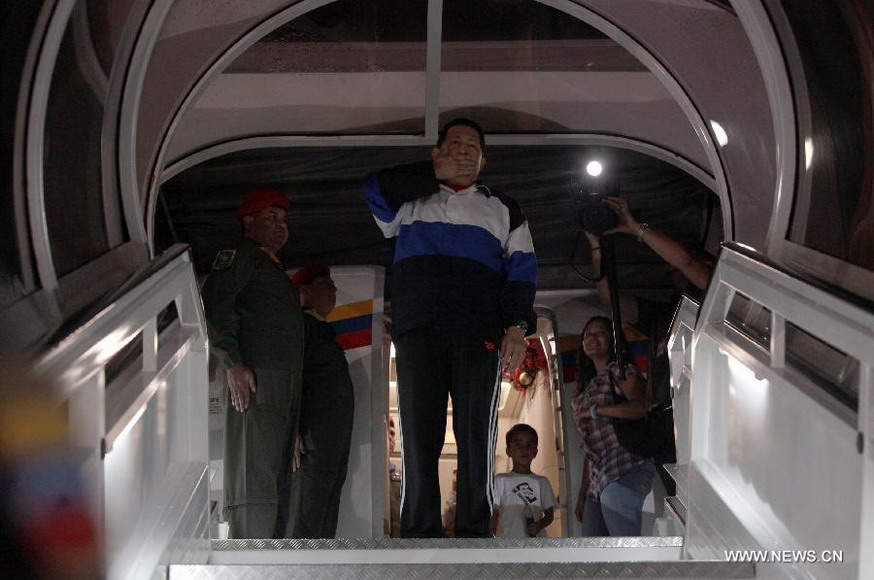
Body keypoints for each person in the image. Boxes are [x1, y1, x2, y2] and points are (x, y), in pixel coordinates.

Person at [363, 118, 537, 538]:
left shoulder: (504, 207)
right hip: (417, 330)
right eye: (454, 143)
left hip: (479, 331)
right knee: (419, 432)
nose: (463, 150)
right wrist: (432, 175)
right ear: (435, 153)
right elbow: (374, 189)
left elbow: (523, 271)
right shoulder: (410, 201)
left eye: (472, 145)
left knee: (476, 431)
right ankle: (420, 529)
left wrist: (516, 327)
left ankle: (475, 529)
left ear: (484, 160)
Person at [586, 196, 714, 488]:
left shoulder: (712, 299)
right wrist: (597, 247)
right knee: (677, 500)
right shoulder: (664, 313)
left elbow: (687, 261)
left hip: (703, 413)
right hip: (665, 421)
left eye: (680, 266)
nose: (676, 271)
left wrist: (635, 228)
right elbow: (610, 299)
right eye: (672, 271)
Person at [201, 188, 304, 539]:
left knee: (276, 476)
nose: (281, 225)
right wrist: (232, 361)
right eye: (271, 218)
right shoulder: (240, 255)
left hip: (283, 382)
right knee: (253, 473)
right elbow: (216, 305)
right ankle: (251, 551)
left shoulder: (271, 268)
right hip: (256, 377)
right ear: (248, 221)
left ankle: (272, 555)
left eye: (284, 220)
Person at [572, 316, 654, 536]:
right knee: (593, 546)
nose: (592, 338)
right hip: (598, 475)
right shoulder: (585, 389)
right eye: (588, 334)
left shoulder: (620, 371)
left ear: (613, 340)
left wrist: (596, 411)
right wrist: (582, 490)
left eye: (601, 333)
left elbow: (641, 408)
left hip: (626, 463)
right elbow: (589, 446)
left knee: (623, 543)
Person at [288, 265, 354, 539]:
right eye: (325, 284)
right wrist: (292, 431)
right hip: (311, 441)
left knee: (323, 518)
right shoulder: (300, 328)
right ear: (305, 292)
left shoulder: (321, 330)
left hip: (329, 441)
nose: (333, 290)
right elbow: (290, 380)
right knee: (306, 518)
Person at [490, 424, 556, 538]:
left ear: (535, 451)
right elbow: (494, 514)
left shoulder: (542, 482)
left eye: (529, 445)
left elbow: (549, 515)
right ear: (508, 451)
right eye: (518, 445)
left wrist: (539, 525)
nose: (524, 449)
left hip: (536, 546)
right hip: (507, 544)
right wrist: (490, 540)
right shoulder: (500, 480)